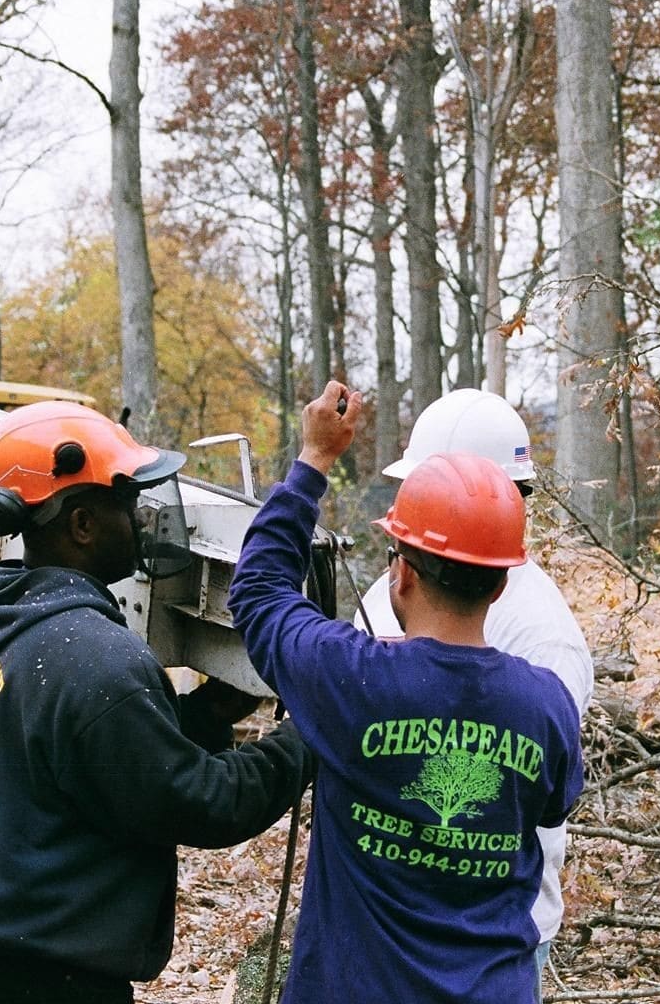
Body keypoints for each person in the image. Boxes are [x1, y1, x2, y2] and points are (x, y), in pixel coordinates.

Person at [0, 400, 311, 1004]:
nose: (142, 518)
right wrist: (305, 740)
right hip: (39, 972)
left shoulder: (8, 613)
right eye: (126, 501)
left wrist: (203, 715)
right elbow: (203, 803)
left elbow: (92, 759)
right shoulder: (93, 656)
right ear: (82, 524)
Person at [229, 381, 585, 1004]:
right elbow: (552, 803)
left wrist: (314, 460)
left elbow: (257, 591)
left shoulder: (350, 679)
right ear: (500, 584)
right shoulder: (546, 705)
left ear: (402, 570)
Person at [355, 387, 595, 997]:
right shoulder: (393, 588)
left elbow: (529, 795)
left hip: (488, 934)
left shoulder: (545, 642)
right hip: (386, 917)